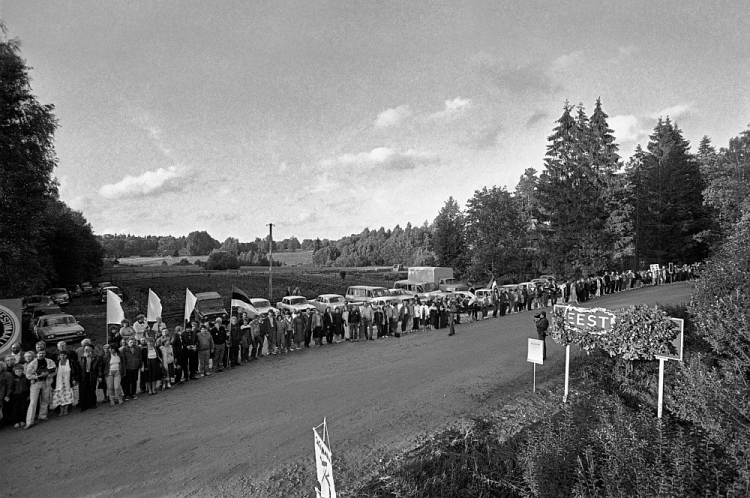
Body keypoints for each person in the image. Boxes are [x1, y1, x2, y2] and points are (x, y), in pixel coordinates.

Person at [25, 348, 57, 429]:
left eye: (43, 353)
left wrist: (47, 375)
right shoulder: (32, 363)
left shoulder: (50, 361)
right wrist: (37, 376)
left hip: (46, 382)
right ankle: (29, 421)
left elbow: (54, 371)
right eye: (40, 353)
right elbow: (28, 375)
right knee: (33, 402)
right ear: (37, 354)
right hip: (36, 383)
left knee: (45, 399)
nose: (42, 355)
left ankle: (42, 415)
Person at [51, 350, 80, 415]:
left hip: (68, 382)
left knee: (67, 396)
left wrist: (75, 379)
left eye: (64, 355)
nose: (62, 356)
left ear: (67, 355)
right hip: (59, 383)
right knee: (60, 396)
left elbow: (75, 371)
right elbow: (53, 372)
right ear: (59, 356)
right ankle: (61, 410)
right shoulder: (56, 363)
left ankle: (66, 410)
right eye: (61, 355)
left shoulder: (71, 362)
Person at [78, 344, 101, 411]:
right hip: (83, 374)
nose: (86, 350)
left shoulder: (96, 357)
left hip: (92, 374)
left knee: (91, 389)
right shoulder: (82, 357)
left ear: (92, 350)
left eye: (87, 349)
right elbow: (79, 366)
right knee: (83, 390)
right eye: (85, 349)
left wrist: (99, 376)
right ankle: (83, 405)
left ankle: (92, 404)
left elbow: (99, 367)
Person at [9, 364, 30, 428]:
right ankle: (15, 421)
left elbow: (28, 386)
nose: (18, 373)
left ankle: (22, 420)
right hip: (15, 395)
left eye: (19, 371)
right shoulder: (13, 378)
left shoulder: (25, 377)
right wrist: (9, 395)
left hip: (24, 394)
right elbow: (10, 387)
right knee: (15, 408)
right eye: (16, 372)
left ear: (23, 371)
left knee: (23, 407)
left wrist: (28, 394)